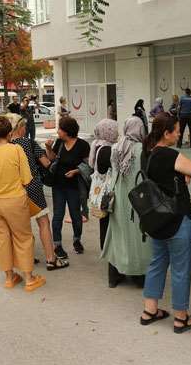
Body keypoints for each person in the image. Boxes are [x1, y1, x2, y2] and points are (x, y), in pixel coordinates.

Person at [139, 113, 191, 333]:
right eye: (176, 130)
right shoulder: (167, 154)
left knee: (157, 262)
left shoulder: (146, 153)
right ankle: (181, 317)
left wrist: (179, 176)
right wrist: (183, 176)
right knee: (181, 268)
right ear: (166, 133)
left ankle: (150, 310)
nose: (178, 133)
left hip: (156, 219)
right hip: (177, 217)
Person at [0, 116, 46, 292]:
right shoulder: (16, 149)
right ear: (10, 133)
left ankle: (9, 278)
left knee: (1, 240)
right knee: (23, 238)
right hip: (15, 200)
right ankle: (29, 278)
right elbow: (26, 178)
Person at [6, 114, 67, 271]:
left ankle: (26, 257)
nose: (26, 128)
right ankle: (51, 259)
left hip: (14, 190)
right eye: (24, 125)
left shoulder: (5, 145)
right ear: (19, 128)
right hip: (33, 188)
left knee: (21, 226)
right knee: (43, 222)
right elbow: (46, 162)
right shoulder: (28, 143)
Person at [103, 116, 150, 288]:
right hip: (137, 200)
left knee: (117, 235)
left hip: (117, 199)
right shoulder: (143, 149)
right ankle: (138, 276)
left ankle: (114, 277)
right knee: (137, 237)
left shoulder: (116, 147)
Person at [45, 115, 90, 259]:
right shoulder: (59, 142)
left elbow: (88, 165)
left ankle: (77, 240)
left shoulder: (83, 145)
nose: (58, 131)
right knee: (58, 215)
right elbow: (52, 159)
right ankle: (57, 245)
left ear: (67, 131)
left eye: (60, 129)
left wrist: (76, 171)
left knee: (76, 215)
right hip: (58, 185)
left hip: (74, 186)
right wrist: (47, 147)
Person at [88, 118, 122, 285]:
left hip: (101, 197)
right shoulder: (108, 150)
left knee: (105, 227)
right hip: (109, 198)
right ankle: (114, 273)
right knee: (111, 231)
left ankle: (112, 269)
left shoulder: (97, 146)